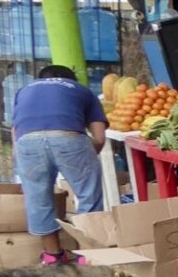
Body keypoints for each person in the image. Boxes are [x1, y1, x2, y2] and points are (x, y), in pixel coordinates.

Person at [11, 64, 107, 266]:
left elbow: (16, 136)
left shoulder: (24, 91)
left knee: (38, 200)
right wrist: (86, 161)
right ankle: (87, 256)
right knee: (89, 196)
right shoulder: (82, 91)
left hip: (27, 142)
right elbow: (99, 138)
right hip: (69, 138)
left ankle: (53, 256)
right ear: (72, 79)